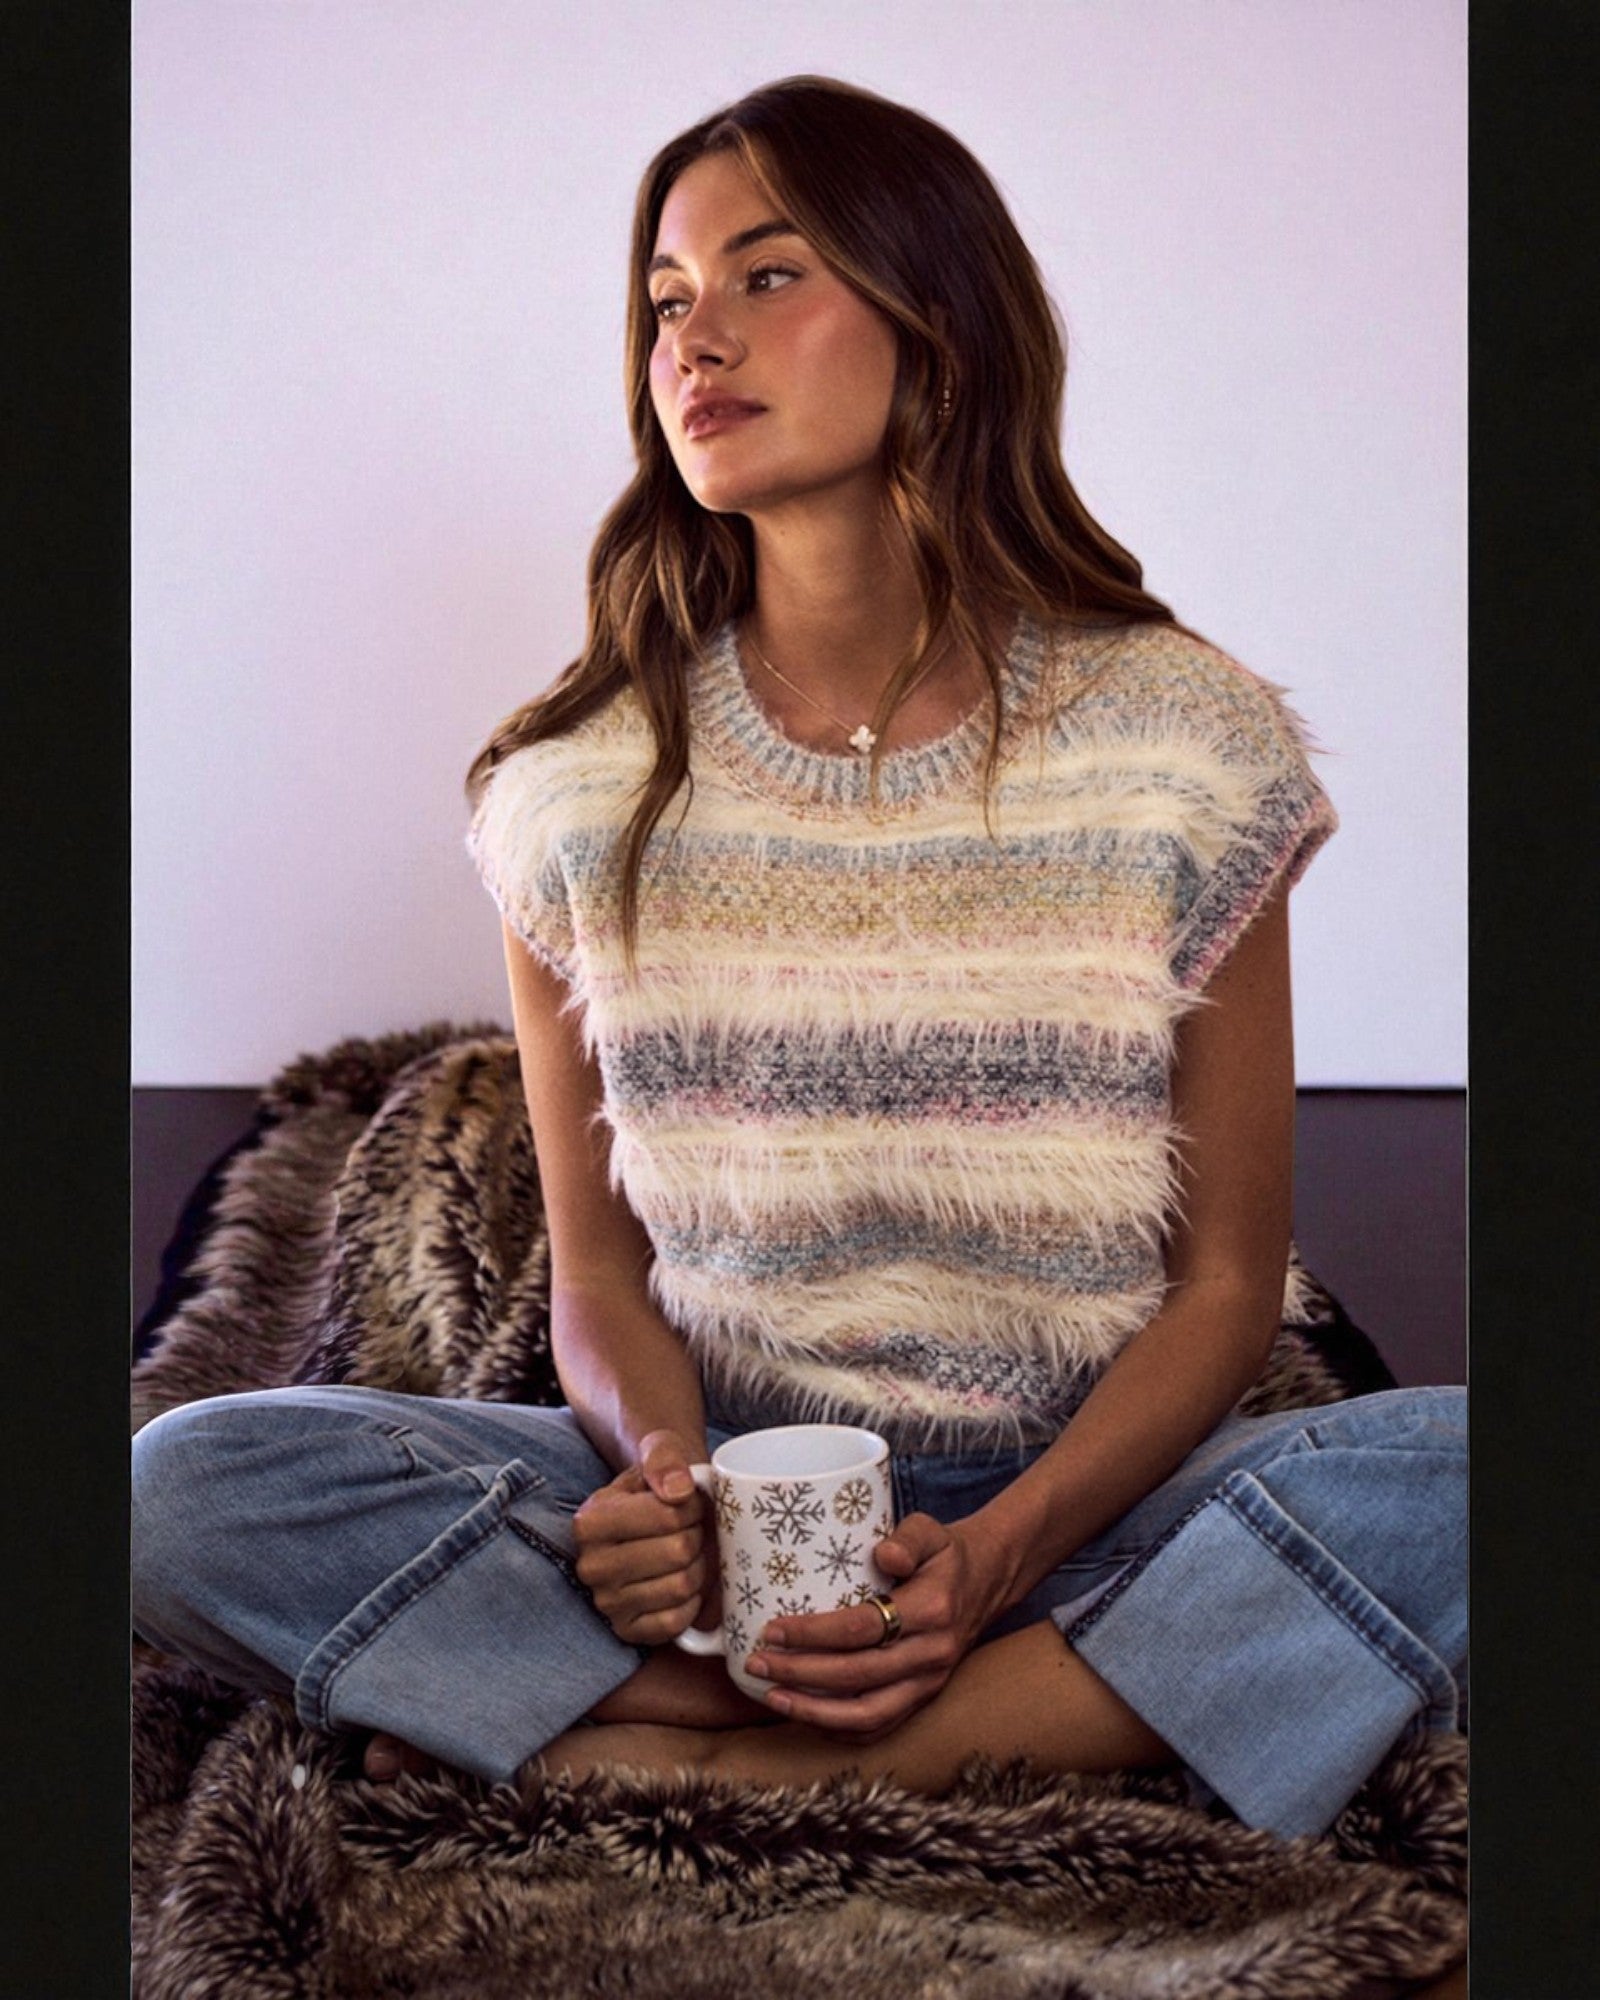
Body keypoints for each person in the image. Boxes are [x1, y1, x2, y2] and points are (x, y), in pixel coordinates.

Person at [131, 76, 1465, 1842]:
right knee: (184, 1491)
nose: (696, 341)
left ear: (942, 320)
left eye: (767, 278)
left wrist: (999, 1552)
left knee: (1473, 1472)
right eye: (669, 300)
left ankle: (772, 1744)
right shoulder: (575, 790)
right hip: (729, 1505)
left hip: (1085, 1500)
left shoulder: (1185, 748)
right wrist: (662, 1490)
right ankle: (1007, 1705)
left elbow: (1228, 1286)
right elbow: (596, 1282)